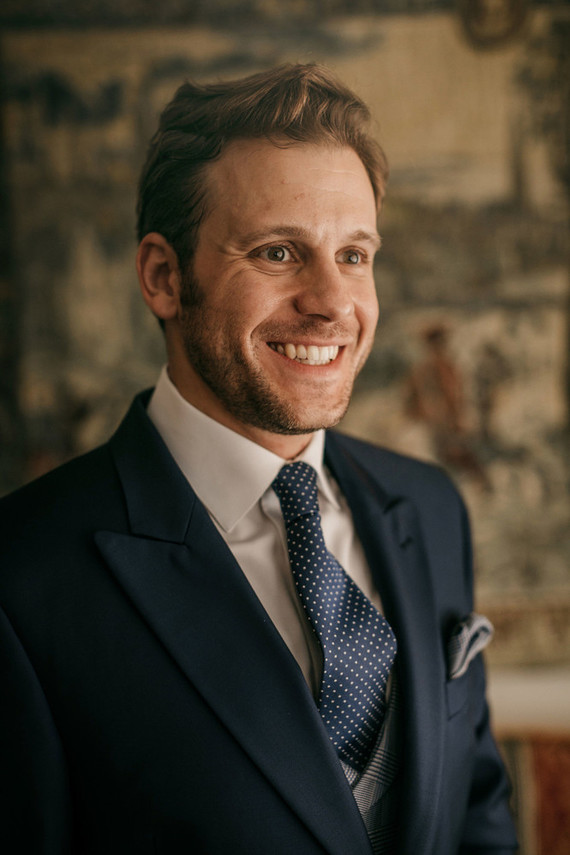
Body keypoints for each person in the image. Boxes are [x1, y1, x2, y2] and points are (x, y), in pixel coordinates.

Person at [0, 64, 517, 854]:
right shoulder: (23, 575)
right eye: (279, 252)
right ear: (164, 277)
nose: (333, 302)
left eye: (354, 254)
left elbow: (477, 807)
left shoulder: (431, 505)